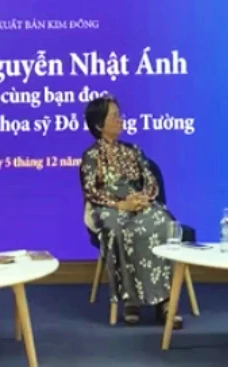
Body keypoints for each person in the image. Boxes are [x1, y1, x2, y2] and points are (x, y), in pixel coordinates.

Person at [80, 96, 182, 328]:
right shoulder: (90, 156)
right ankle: (130, 300)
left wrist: (143, 198)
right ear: (99, 124)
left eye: (119, 114)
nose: (120, 119)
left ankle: (165, 302)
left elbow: (150, 180)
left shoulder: (133, 150)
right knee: (120, 228)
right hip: (108, 208)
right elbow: (91, 191)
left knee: (163, 223)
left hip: (138, 204)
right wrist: (119, 205)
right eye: (114, 116)